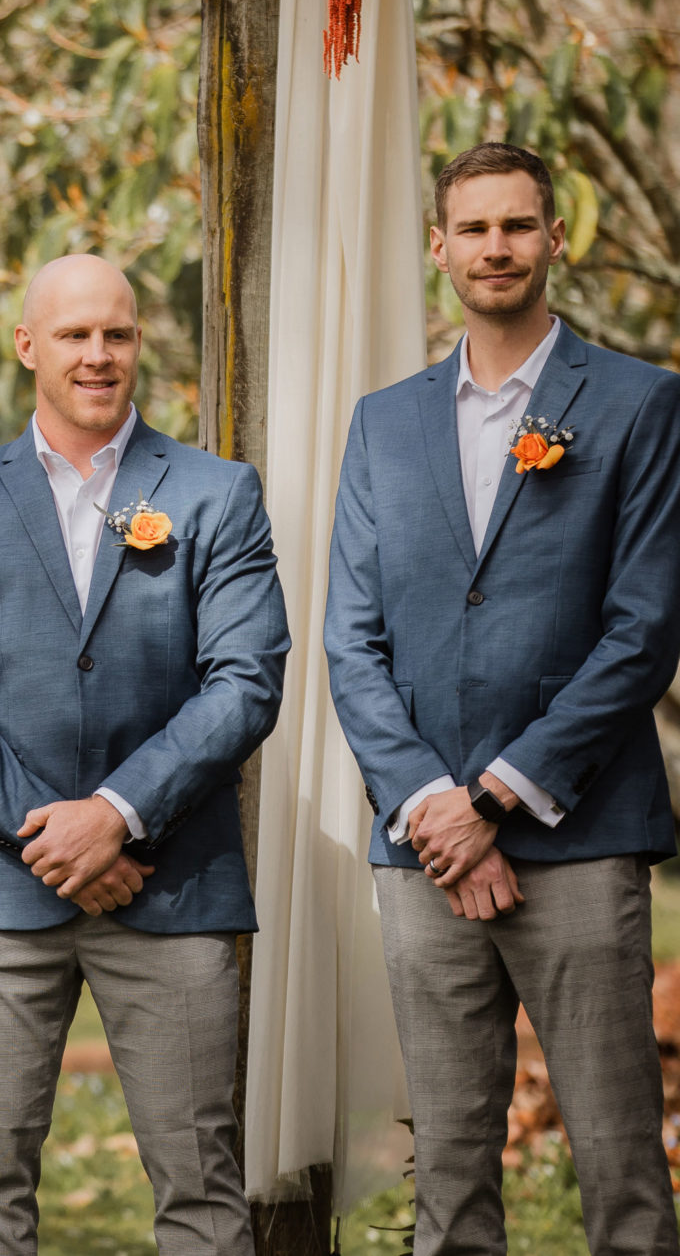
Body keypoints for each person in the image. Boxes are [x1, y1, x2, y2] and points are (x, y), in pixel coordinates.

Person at [325, 142, 680, 1256]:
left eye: (515, 225)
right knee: (449, 1164)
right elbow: (349, 638)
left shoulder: (638, 405)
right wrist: (434, 804)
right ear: (438, 248)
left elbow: (642, 631)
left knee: (620, 1164)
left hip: (577, 834)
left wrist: (497, 799)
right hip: (422, 849)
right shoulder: (382, 422)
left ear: (552, 238)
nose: (494, 247)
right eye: (471, 228)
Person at [0, 254, 287, 1255]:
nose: (96, 354)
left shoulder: (214, 493)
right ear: (27, 345)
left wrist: (113, 814)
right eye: (72, 334)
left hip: (171, 882)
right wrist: (52, 838)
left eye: (114, 333)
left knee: (200, 1186)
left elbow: (244, 682)